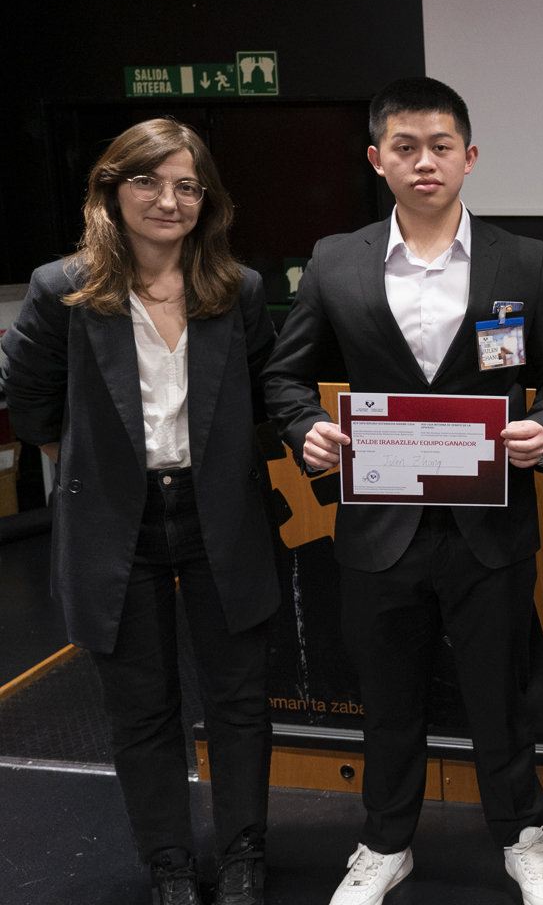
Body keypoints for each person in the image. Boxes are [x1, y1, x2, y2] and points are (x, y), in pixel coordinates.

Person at [262, 77, 543, 905]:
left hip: (491, 526)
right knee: (388, 700)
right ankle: (384, 842)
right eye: (404, 148)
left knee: (501, 697)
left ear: (469, 156)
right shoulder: (337, 260)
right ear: (378, 160)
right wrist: (306, 429)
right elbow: (284, 377)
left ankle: (524, 837)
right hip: (380, 524)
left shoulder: (523, 260)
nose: (424, 162)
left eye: (441, 146)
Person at [1, 118, 278, 905]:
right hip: (114, 519)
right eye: (148, 182)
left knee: (238, 701)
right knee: (142, 706)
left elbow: (263, 394)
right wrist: (96, 466)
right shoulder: (63, 289)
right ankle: (168, 866)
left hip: (219, 511)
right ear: (111, 189)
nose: (168, 200)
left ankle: (244, 856)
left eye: (187, 185)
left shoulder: (237, 289)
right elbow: (30, 400)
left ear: (207, 199)